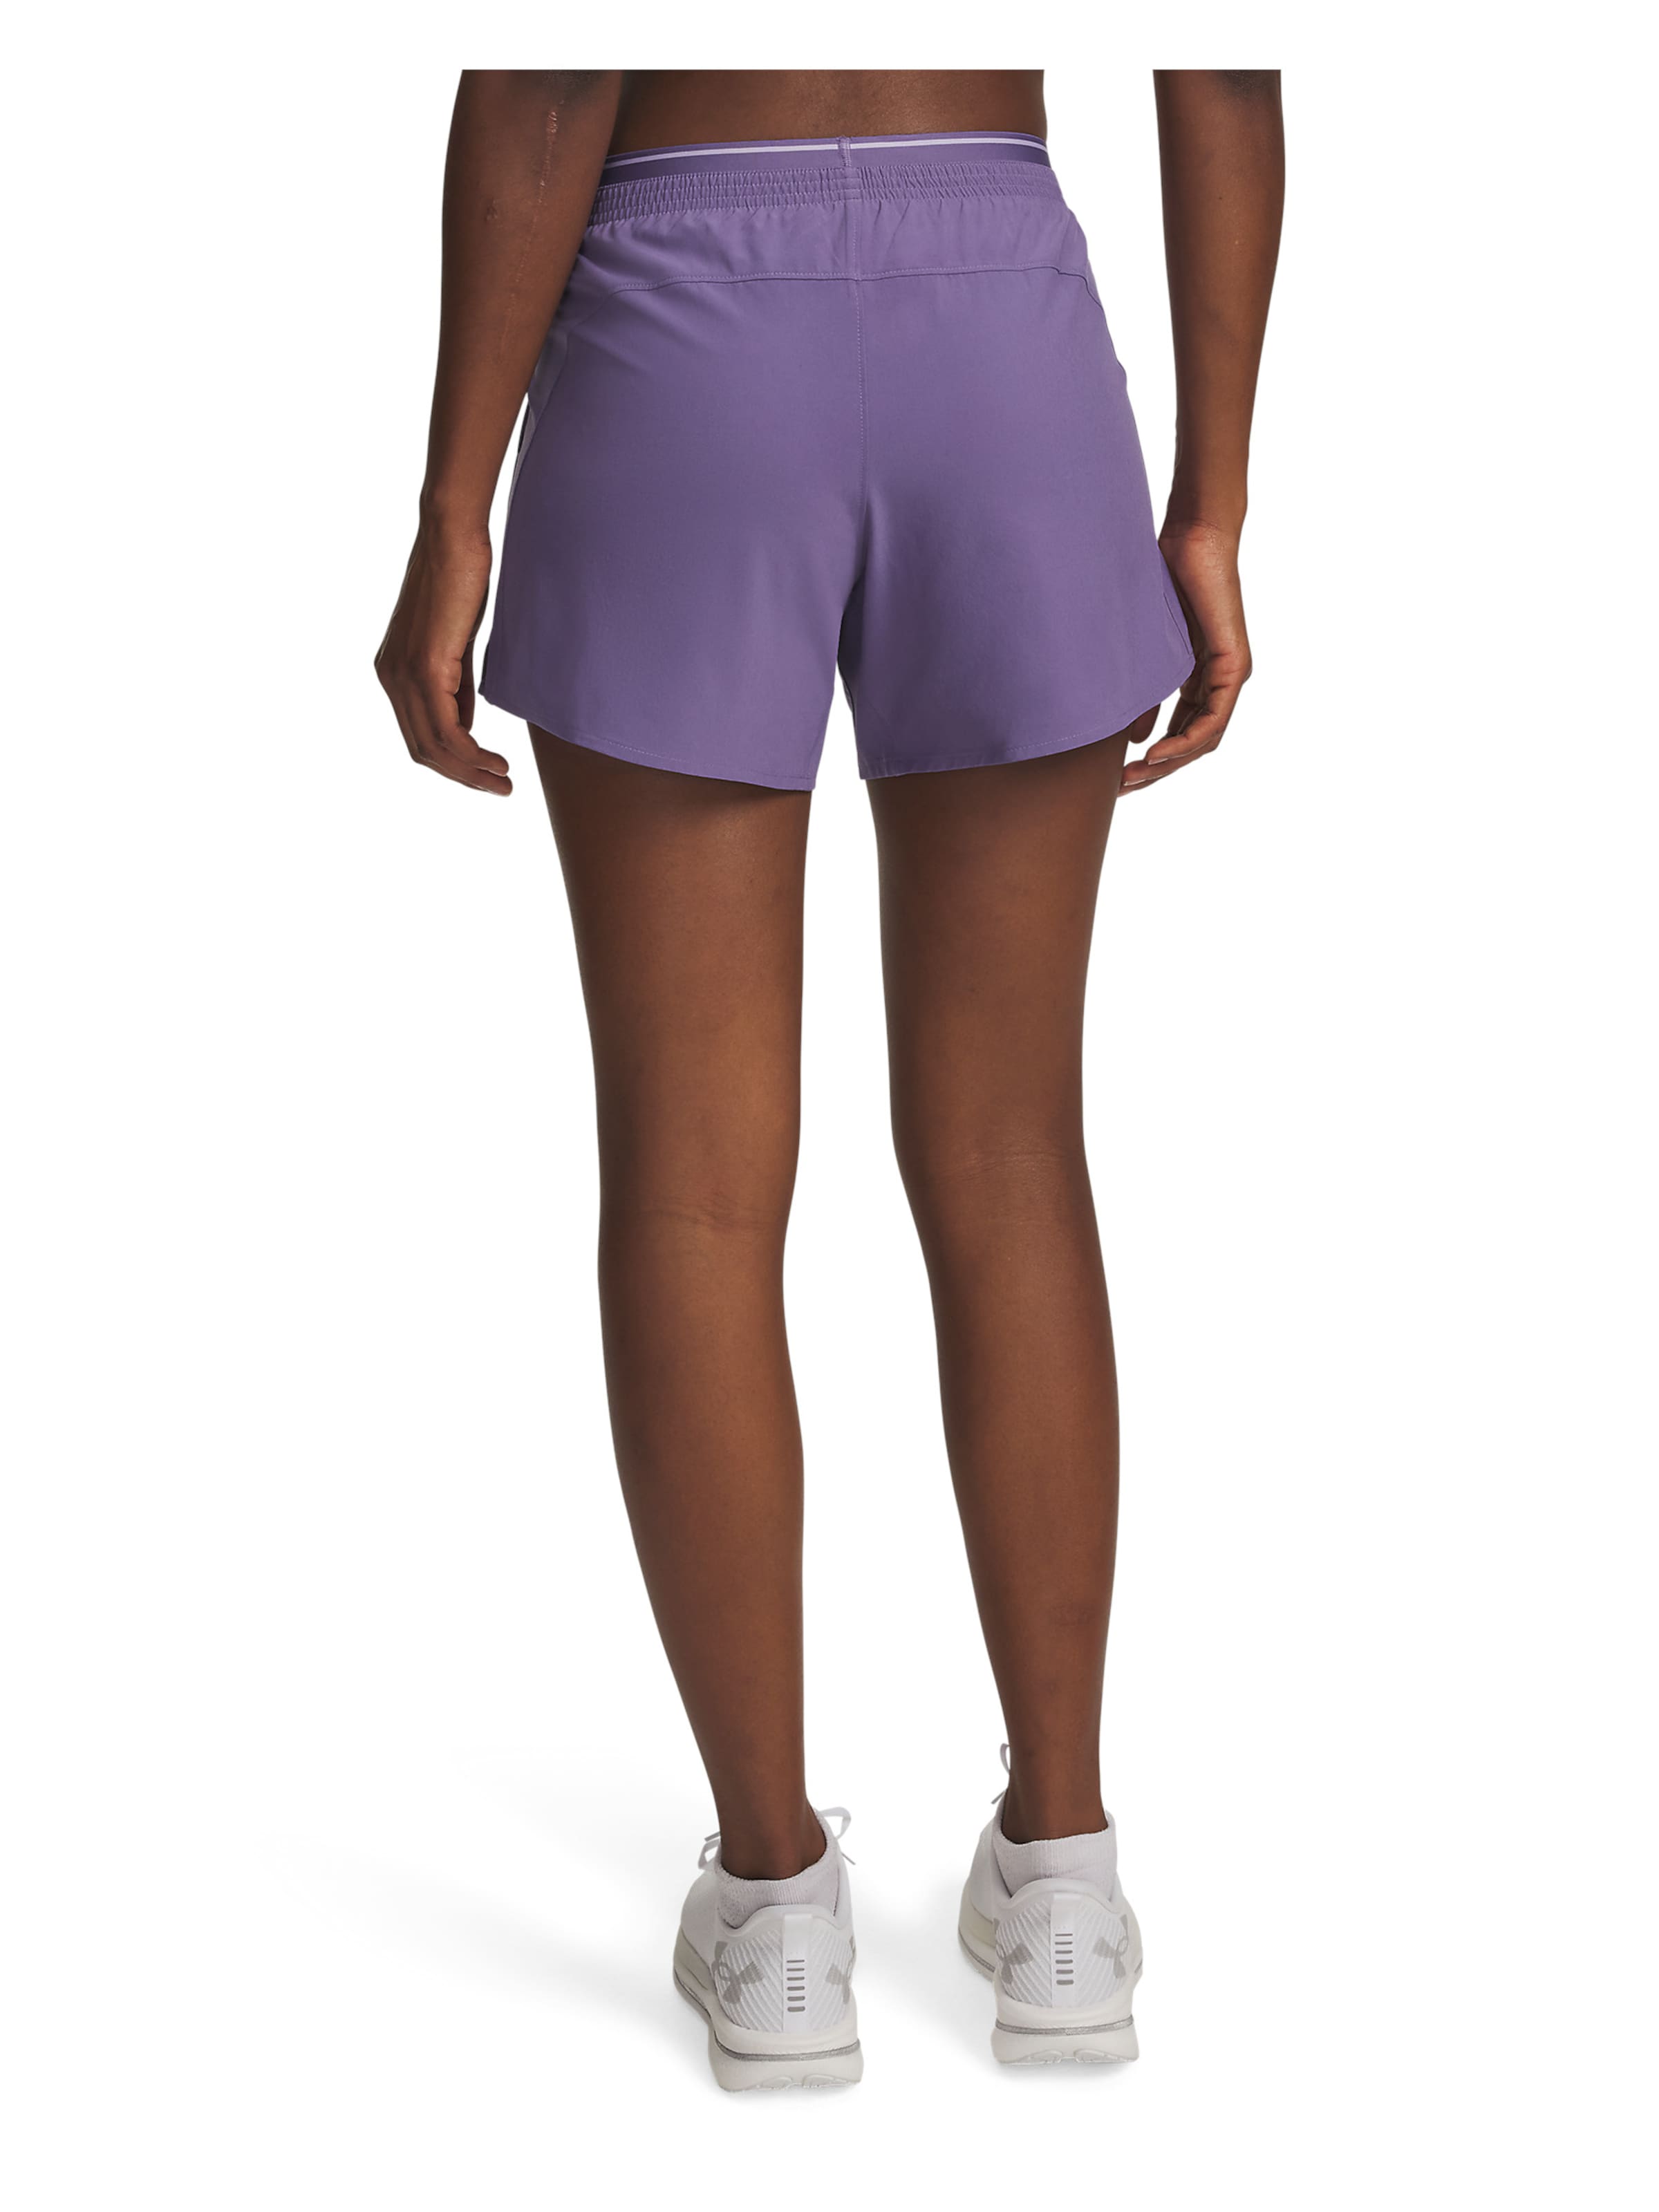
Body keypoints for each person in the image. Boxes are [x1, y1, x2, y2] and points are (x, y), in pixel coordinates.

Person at [376, 68, 1283, 2088]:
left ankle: (779, 1907)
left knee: (694, 1186)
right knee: (1014, 1157)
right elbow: (1225, 60)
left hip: (681, 327)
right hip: (1004, 334)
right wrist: (1215, 497)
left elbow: (552, 71)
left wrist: (454, 506)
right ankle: (1064, 1884)